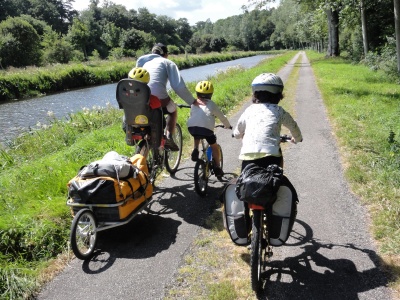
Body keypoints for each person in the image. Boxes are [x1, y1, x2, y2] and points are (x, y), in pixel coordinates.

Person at [232, 73, 302, 171]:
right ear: (279, 95)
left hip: (247, 156)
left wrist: (236, 135)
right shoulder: (279, 111)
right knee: (277, 180)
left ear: (255, 94)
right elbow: (293, 126)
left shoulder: (249, 110)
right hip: (271, 156)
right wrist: (297, 138)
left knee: (243, 181)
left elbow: (238, 130)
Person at [136, 43, 199, 151]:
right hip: (158, 98)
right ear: (165, 54)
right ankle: (169, 137)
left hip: (140, 97)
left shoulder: (144, 62)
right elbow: (178, 86)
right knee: (172, 110)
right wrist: (192, 101)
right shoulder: (167, 62)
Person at [187, 80, 232, 178]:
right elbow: (222, 117)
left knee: (197, 134)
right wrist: (228, 125)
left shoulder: (193, 103)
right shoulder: (211, 104)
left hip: (192, 128)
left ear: (197, 93)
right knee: (214, 146)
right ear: (210, 94)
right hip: (206, 130)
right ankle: (217, 167)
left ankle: (195, 149)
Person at [125, 67, 163, 149]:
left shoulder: (124, 96)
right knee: (159, 113)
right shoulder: (152, 98)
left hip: (131, 123)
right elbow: (157, 105)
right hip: (148, 123)